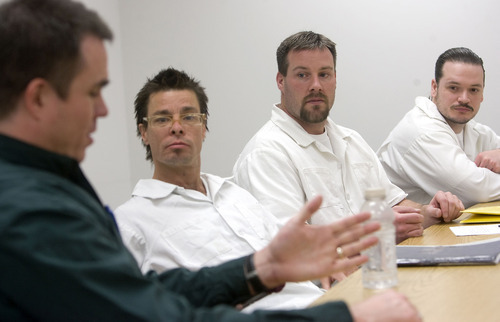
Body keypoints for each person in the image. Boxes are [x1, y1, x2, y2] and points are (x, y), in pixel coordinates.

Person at [0, 0, 422, 321]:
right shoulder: (27, 209)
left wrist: (262, 266)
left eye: (189, 117)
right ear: (38, 98)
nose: (102, 111)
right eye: (93, 92)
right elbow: (155, 314)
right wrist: (343, 317)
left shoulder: (51, 183)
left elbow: (151, 292)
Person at [115, 68, 330, 311]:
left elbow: (286, 261)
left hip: (319, 303)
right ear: (144, 132)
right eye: (162, 119)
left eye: (189, 117)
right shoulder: (130, 223)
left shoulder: (235, 194)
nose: (177, 127)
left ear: (203, 127)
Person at [232, 31, 464, 246]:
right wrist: (376, 231)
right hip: (324, 289)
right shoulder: (266, 153)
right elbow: (290, 246)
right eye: (302, 75)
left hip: (374, 273)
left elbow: (395, 207)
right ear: (280, 81)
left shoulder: (352, 141)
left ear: (335, 78)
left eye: (324, 74)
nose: (316, 86)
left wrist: (431, 211)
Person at [377, 47, 500, 208]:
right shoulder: (422, 131)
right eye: (454, 88)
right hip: (405, 232)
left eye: (473, 90)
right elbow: (477, 190)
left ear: (482, 94)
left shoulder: (472, 129)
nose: (464, 98)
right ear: (434, 87)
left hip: (439, 230)